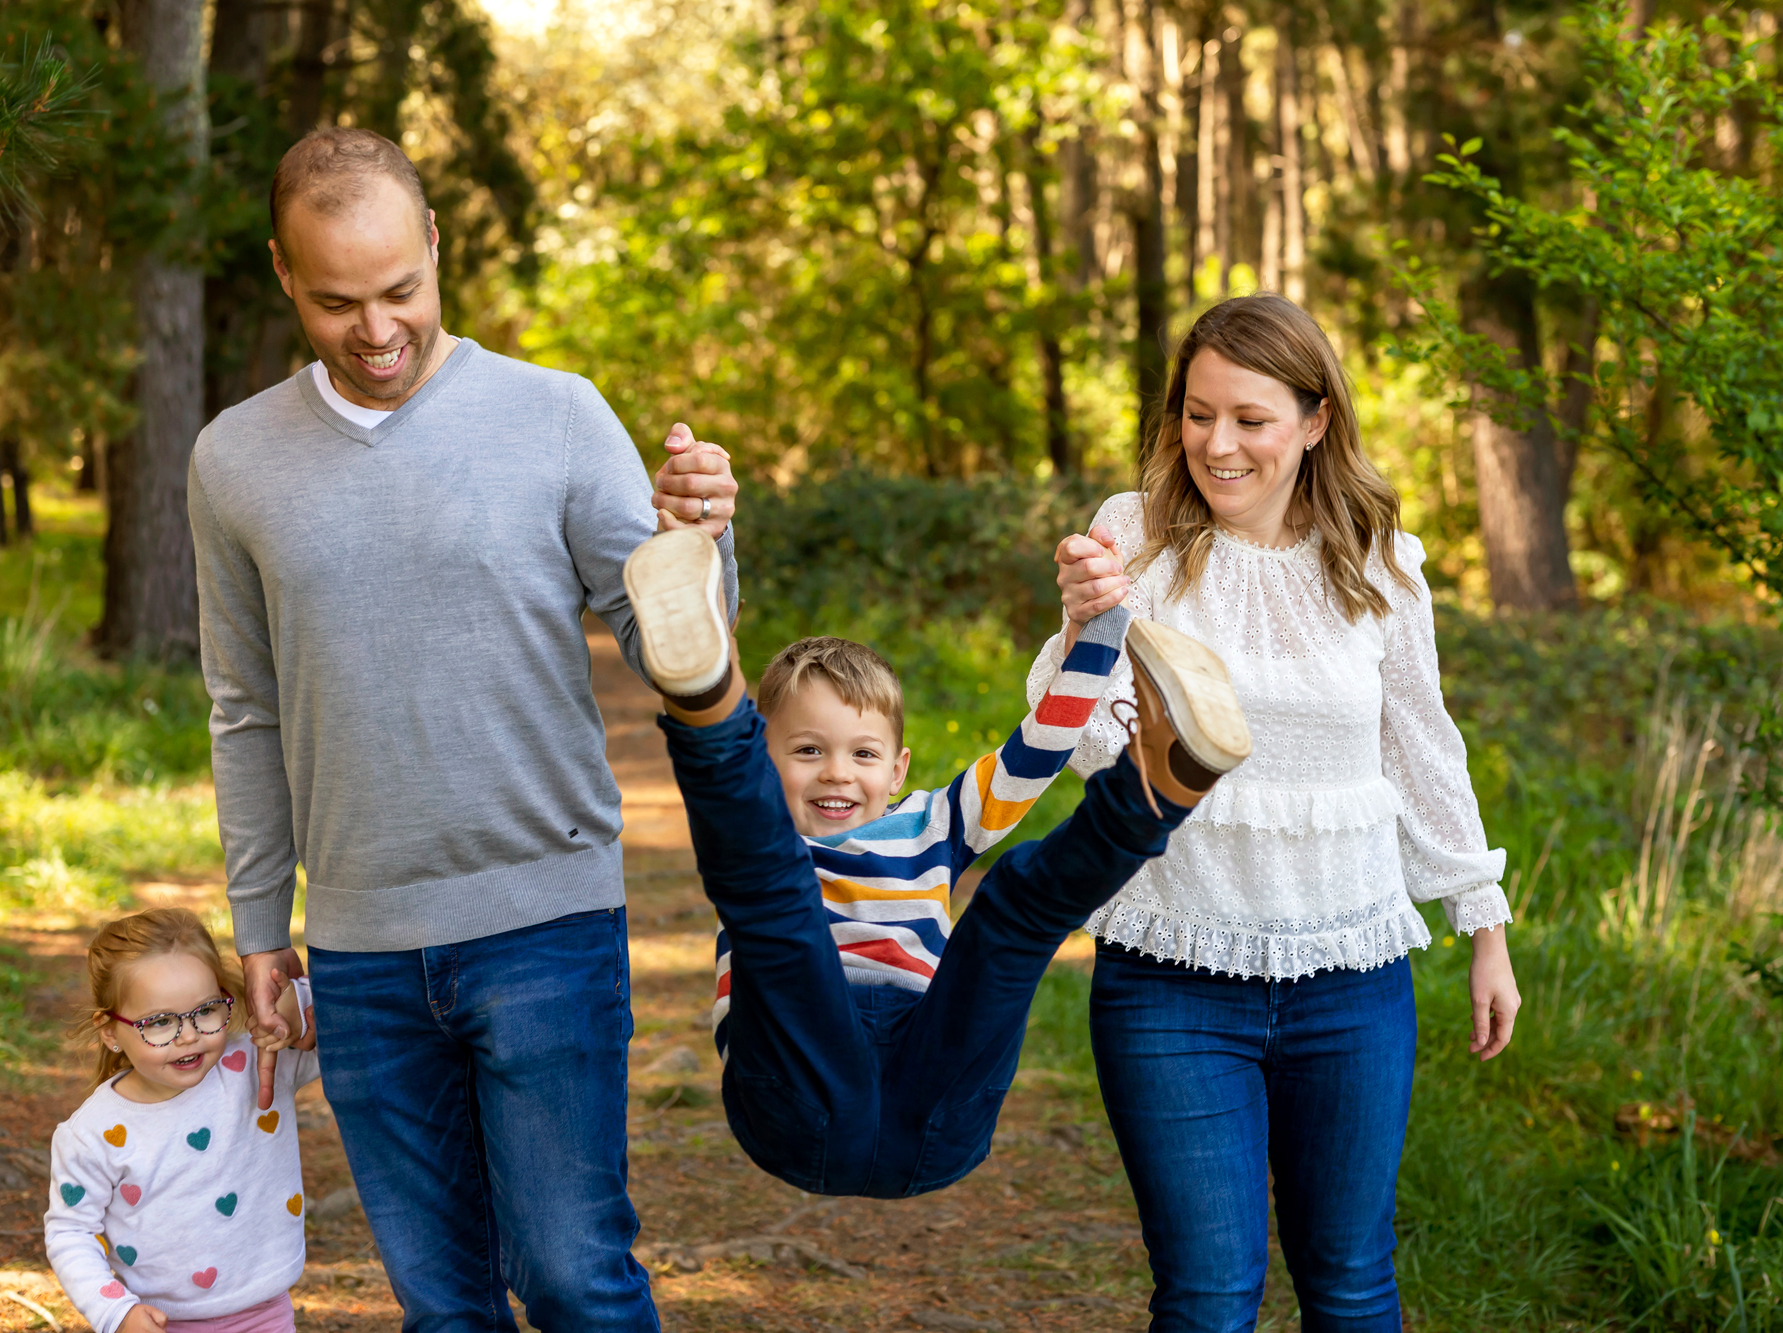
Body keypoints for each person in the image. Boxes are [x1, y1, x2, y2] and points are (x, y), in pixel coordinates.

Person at [189, 126, 739, 1330]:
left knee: (573, 1278)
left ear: (436, 245)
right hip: (359, 950)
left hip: (542, 925)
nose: (377, 330)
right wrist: (258, 924)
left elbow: (669, 648)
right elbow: (245, 706)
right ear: (283, 273)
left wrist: (701, 538)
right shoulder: (232, 460)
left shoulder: (554, 415)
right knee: (443, 1305)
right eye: (337, 302)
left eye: (400, 289)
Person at [1032, 293, 1525, 1332]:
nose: (1217, 444)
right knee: (1208, 1298)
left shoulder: (1380, 561)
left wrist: (1480, 925)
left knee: (1349, 1285)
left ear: (1312, 421)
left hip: (1351, 981)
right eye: (1197, 414)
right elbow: (1071, 740)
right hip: (1170, 979)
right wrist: (1085, 625)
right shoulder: (1133, 537)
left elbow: (1420, 746)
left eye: (1249, 419)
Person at [619, 522, 1251, 1196]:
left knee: (1011, 907)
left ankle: (1166, 779)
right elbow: (750, 840)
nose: (837, 773)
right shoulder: (773, 836)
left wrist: (1099, 631)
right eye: (807, 751)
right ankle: (703, 683)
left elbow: (1032, 756)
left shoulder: (932, 824)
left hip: (935, 1092)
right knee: (773, 893)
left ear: (898, 769)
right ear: (765, 761)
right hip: (797, 1096)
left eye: (862, 754)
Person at [46, 908, 316, 1333]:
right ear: (110, 1031)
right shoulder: (92, 1134)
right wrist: (116, 1313)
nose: (188, 1035)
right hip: (162, 1324)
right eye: (159, 1022)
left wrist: (292, 1008)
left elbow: (337, 1019)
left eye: (206, 1011)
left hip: (267, 1315)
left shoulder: (254, 1067)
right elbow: (69, 1233)